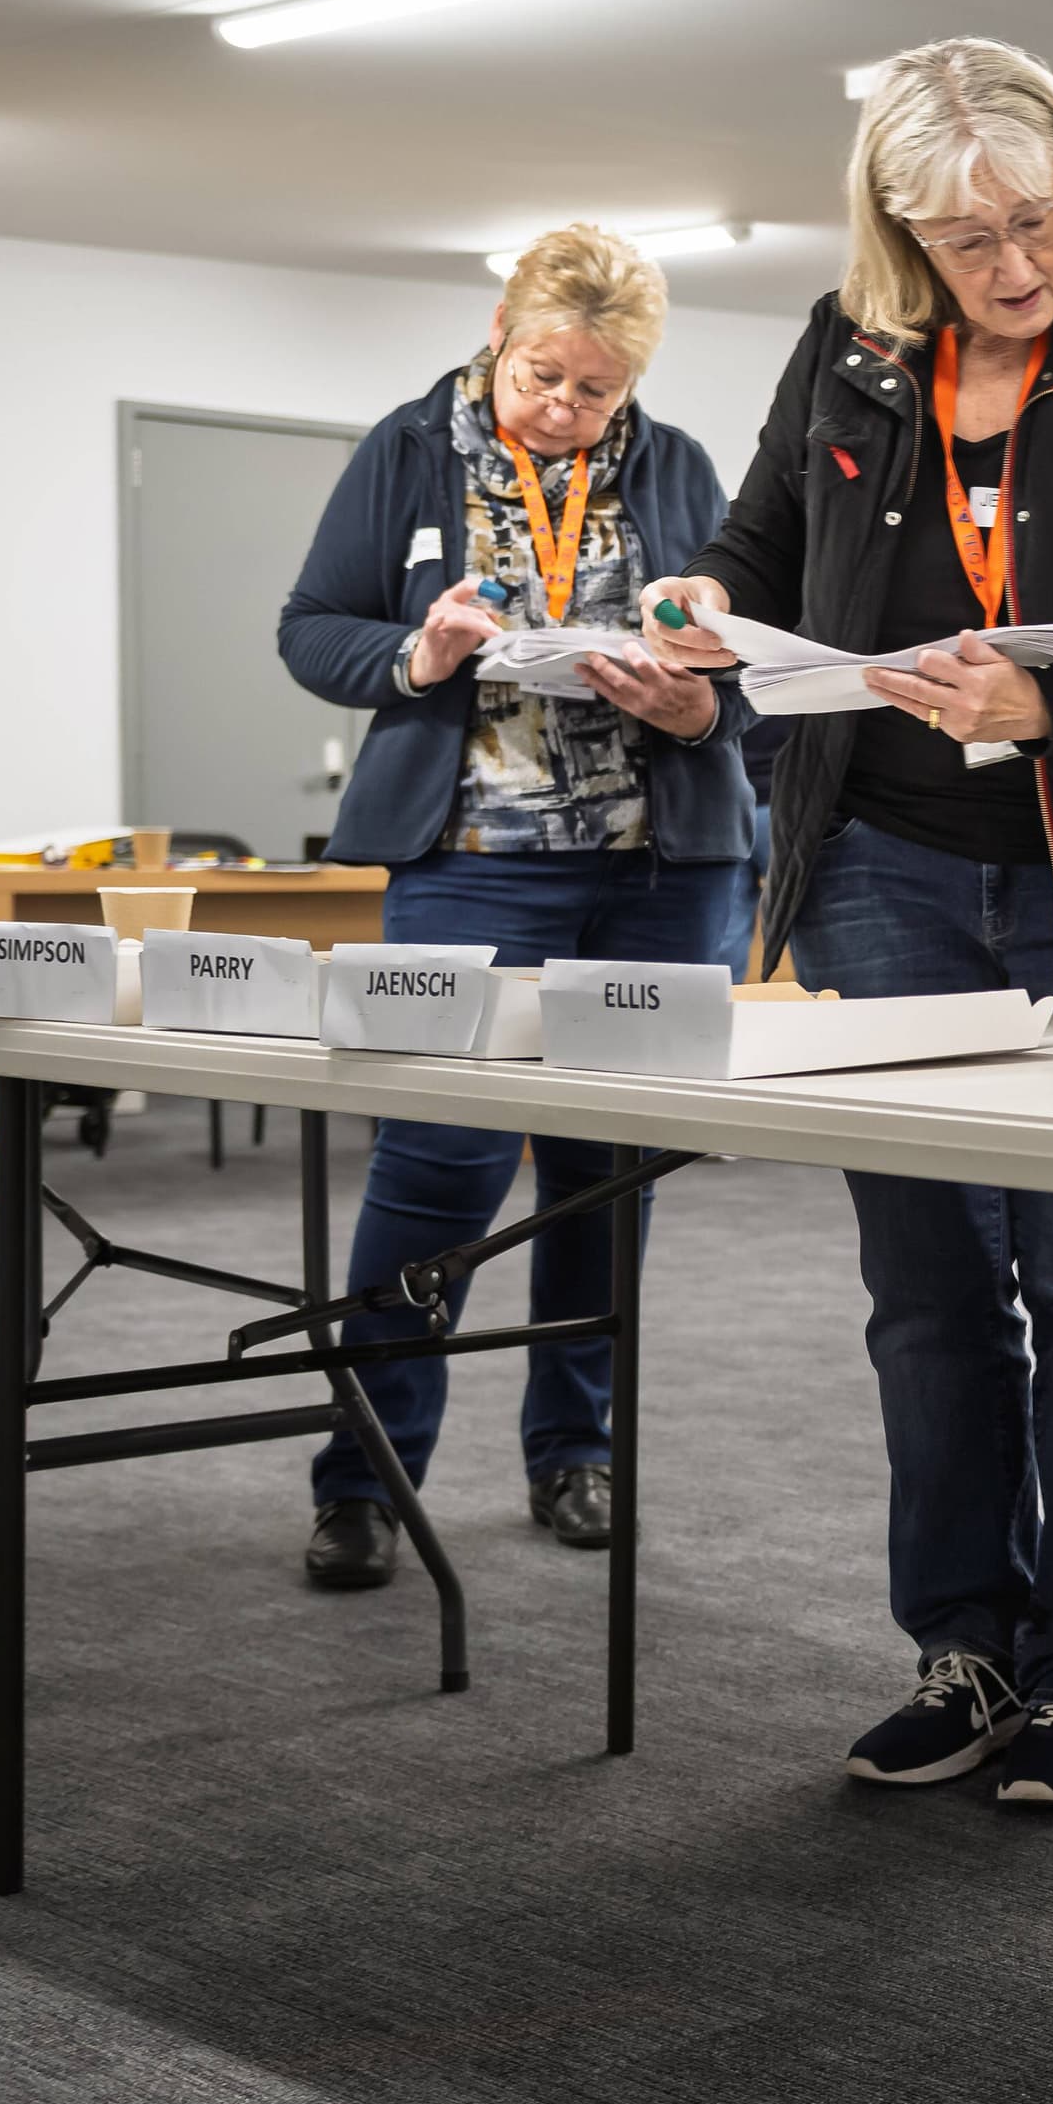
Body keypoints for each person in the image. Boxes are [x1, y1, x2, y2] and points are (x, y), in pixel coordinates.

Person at [642, 38, 1053, 1811]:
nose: (1006, 266)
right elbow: (755, 556)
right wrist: (700, 614)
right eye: (962, 235)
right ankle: (966, 1646)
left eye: (1033, 222)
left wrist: (1050, 703)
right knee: (926, 1288)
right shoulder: (851, 358)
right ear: (896, 231)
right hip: (889, 862)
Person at [278, 225, 752, 1592]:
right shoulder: (410, 450)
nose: (563, 409)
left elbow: (741, 660)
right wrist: (416, 655)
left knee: (607, 1174)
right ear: (501, 328)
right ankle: (365, 1479)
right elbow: (312, 626)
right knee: (435, 1169)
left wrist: (699, 700)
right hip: (471, 855)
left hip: (660, 869)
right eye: (545, 374)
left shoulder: (676, 466)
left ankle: (575, 1451)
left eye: (596, 391)